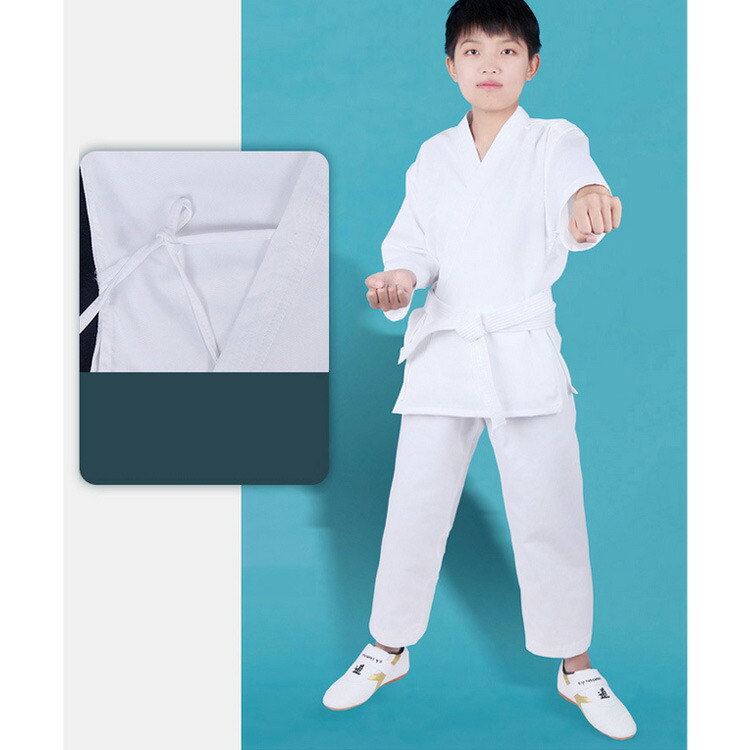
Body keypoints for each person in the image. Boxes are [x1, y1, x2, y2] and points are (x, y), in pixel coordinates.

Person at [323, 0, 636, 740]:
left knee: (549, 509)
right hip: (444, 349)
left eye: (506, 51)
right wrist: (399, 280)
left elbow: (580, 189)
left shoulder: (555, 140)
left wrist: (589, 202)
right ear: (450, 66)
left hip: (522, 347)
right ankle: (387, 646)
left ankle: (575, 664)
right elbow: (413, 246)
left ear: (532, 64)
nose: (489, 65)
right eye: (472, 51)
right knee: (415, 505)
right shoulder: (433, 155)